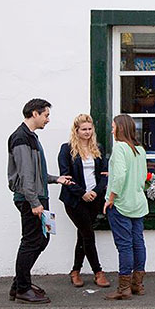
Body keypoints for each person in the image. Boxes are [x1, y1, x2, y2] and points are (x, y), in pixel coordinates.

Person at [7, 98, 73, 304]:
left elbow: (37, 172)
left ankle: (19, 284)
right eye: (46, 115)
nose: (48, 119)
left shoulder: (31, 137)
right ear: (34, 113)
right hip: (30, 199)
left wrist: (56, 179)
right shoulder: (21, 138)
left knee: (41, 239)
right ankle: (22, 289)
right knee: (31, 241)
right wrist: (34, 203)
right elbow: (26, 176)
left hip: (36, 196)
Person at [58, 114, 110, 288]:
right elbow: (66, 177)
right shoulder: (67, 150)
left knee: (83, 235)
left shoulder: (98, 148)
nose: (87, 132)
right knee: (88, 234)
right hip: (74, 200)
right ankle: (98, 272)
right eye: (84, 129)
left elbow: (104, 175)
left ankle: (75, 271)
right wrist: (82, 193)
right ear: (76, 131)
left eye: (89, 129)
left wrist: (95, 192)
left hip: (94, 199)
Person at [103, 114, 149, 300]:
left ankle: (124, 289)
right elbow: (142, 175)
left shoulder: (120, 148)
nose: (112, 130)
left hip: (121, 204)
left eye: (113, 127)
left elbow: (121, 176)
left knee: (124, 246)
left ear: (120, 128)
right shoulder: (140, 149)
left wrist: (111, 197)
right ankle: (137, 284)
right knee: (138, 243)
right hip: (138, 202)